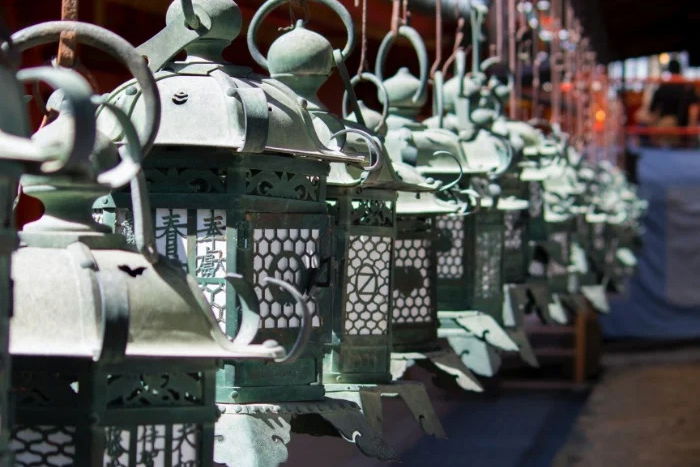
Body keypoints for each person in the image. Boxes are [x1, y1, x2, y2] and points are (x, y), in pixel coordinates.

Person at [647, 59, 699, 146]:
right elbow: (694, 109)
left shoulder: (663, 87)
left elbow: (652, 109)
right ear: (680, 69)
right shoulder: (689, 86)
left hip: (665, 125)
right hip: (684, 128)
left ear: (669, 70)